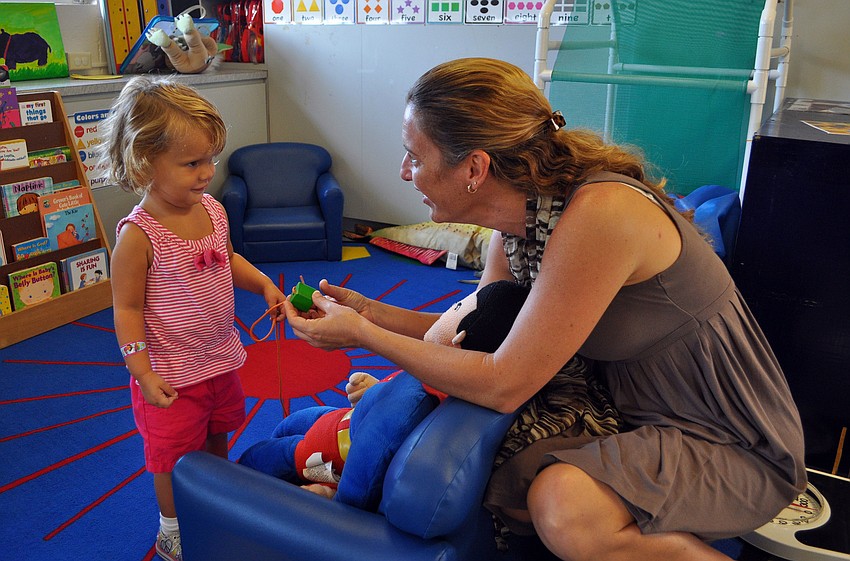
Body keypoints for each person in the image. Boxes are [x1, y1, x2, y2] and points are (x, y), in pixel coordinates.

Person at [284, 58, 807, 561]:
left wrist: (364, 335)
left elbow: (502, 379)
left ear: (474, 167)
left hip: (726, 435)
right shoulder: (516, 229)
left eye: (415, 158)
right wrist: (365, 311)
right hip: (628, 410)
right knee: (510, 484)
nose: (403, 172)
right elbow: (465, 332)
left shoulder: (600, 215)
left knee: (561, 506)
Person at [102, 76, 286, 561]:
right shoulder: (137, 237)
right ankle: (173, 528)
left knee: (218, 433)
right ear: (145, 164)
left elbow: (228, 259)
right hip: (168, 373)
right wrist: (140, 371)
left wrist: (263, 282)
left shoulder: (213, 208)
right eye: (191, 163)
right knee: (171, 456)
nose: (207, 172)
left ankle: (216, 501)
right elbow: (127, 309)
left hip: (218, 356)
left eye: (211, 159)